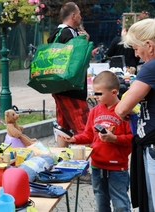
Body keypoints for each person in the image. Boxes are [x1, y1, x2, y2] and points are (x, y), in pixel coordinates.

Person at [60, 71, 132, 211]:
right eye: (94, 92)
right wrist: (74, 138)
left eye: (99, 93)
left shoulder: (125, 111)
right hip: (97, 166)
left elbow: (132, 139)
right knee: (101, 203)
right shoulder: (94, 111)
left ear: (113, 92)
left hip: (118, 168)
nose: (95, 97)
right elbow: (88, 135)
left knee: (120, 205)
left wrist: (115, 139)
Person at [115, 18, 155, 212]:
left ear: (149, 45)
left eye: (136, 47)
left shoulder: (151, 67)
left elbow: (122, 108)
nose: (135, 53)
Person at [47, 2, 90, 148]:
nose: (81, 17)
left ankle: (62, 160)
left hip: (56, 85)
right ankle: (93, 165)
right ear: (73, 16)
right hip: (72, 88)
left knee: (63, 126)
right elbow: (78, 61)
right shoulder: (71, 34)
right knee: (84, 126)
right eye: (79, 14)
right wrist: (85, 43)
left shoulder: (54, 33)